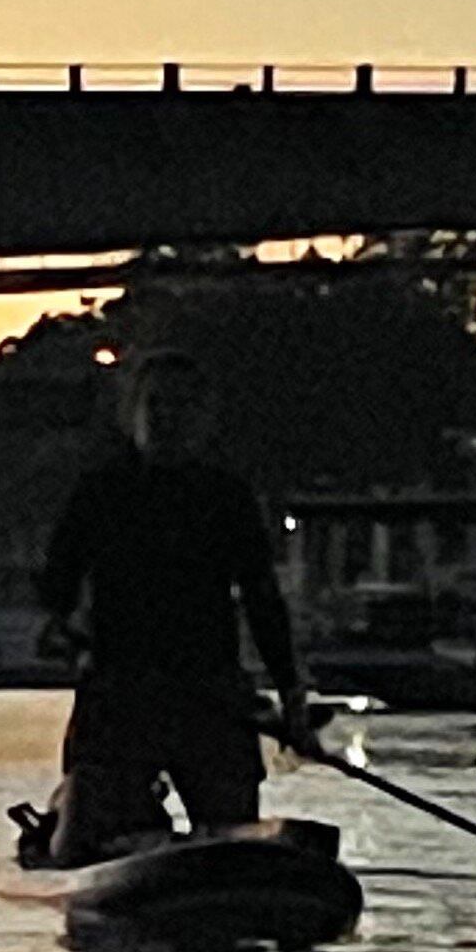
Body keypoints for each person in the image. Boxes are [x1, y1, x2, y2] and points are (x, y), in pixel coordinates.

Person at [31, 348, 315, 865]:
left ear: (205, 419)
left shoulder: (227, 497)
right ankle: (85, 836)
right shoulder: (100, 492)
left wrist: (291, 694)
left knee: (229, 824)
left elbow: (262, 600)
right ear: (133, 414)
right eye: (157, 404)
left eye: (183, 406)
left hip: (209, 691)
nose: (168, 418)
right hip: (121, 691)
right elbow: (57, 588)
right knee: (87, 836)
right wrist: (61, 631)